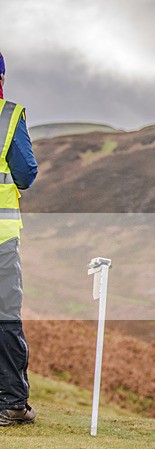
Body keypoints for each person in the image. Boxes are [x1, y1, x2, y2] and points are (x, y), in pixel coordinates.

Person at [0, 51, 39, 426]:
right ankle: (12, 401)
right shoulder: (8, 115)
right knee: (6, 316)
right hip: (2, 236)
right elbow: (25, 173)